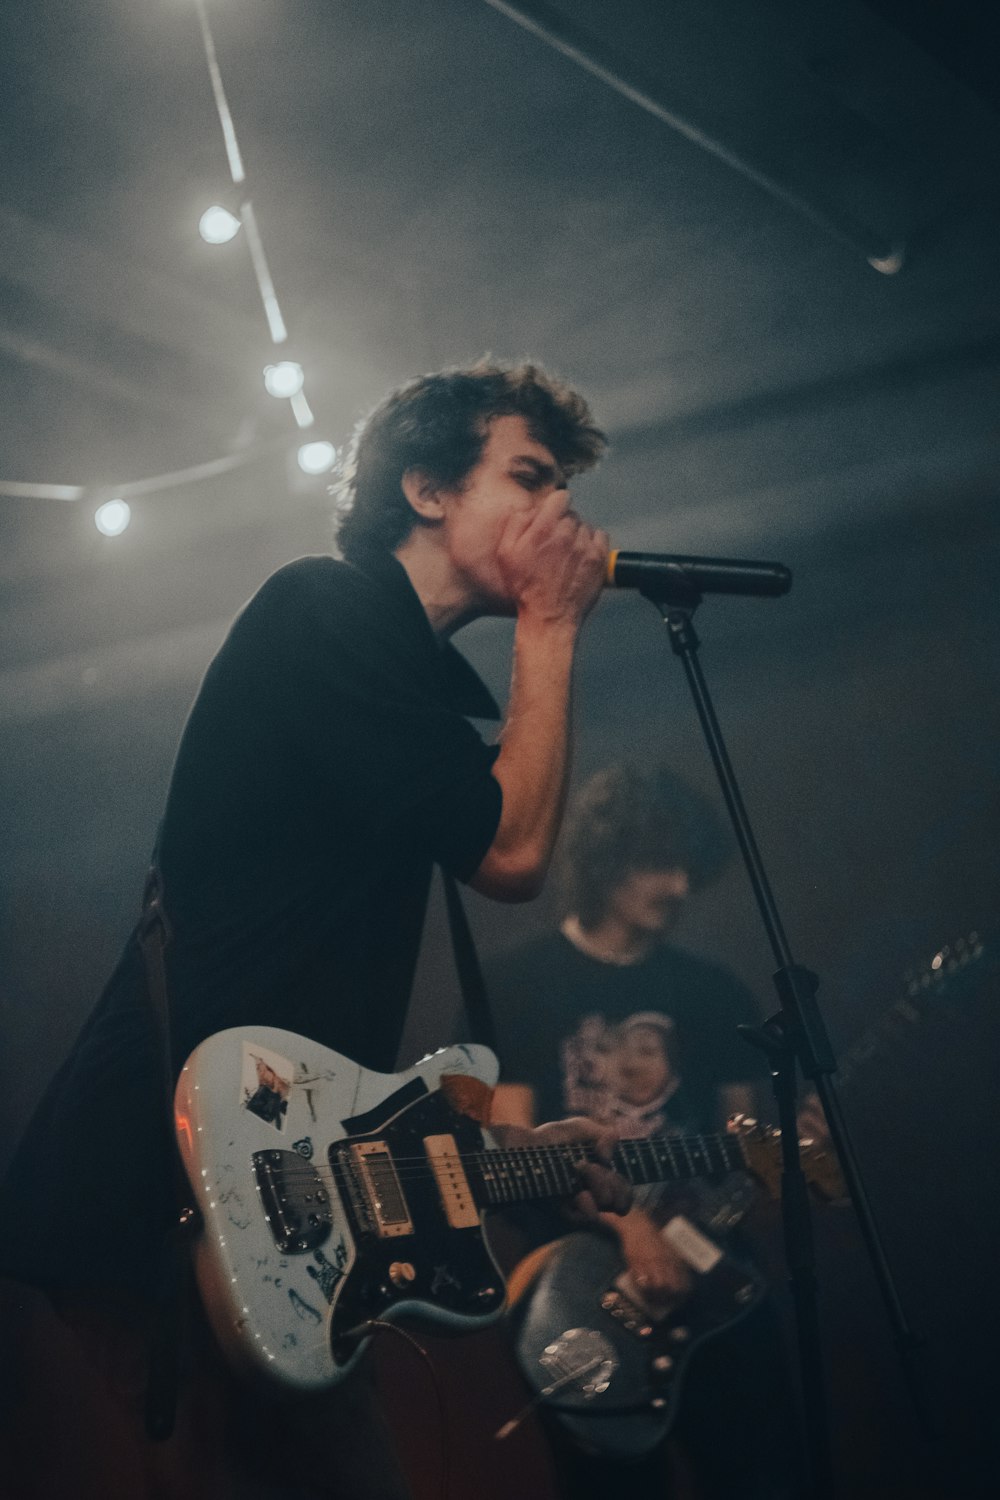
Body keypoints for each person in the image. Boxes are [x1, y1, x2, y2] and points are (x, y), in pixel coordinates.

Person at [0, 361, 631, 1499]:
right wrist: (549, 621)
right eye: (528, 478)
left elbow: (326, 1067)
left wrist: (512, 1163)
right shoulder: (322, 608)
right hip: (161, 1182)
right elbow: (514, 855)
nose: (562, 517)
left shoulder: (404, 682)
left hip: (263, 1173)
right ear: (428, 487)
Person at [488, 763, 804, 1500]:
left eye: (688, 866)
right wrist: (628, 1224)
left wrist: (794, 1159)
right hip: (584, 1294)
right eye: (659, 863)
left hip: (716, 1290)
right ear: (605, 860)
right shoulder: (514, 988)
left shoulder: (714, 991)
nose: (679, 886)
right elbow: (507, 1155)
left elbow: (745, 1154)